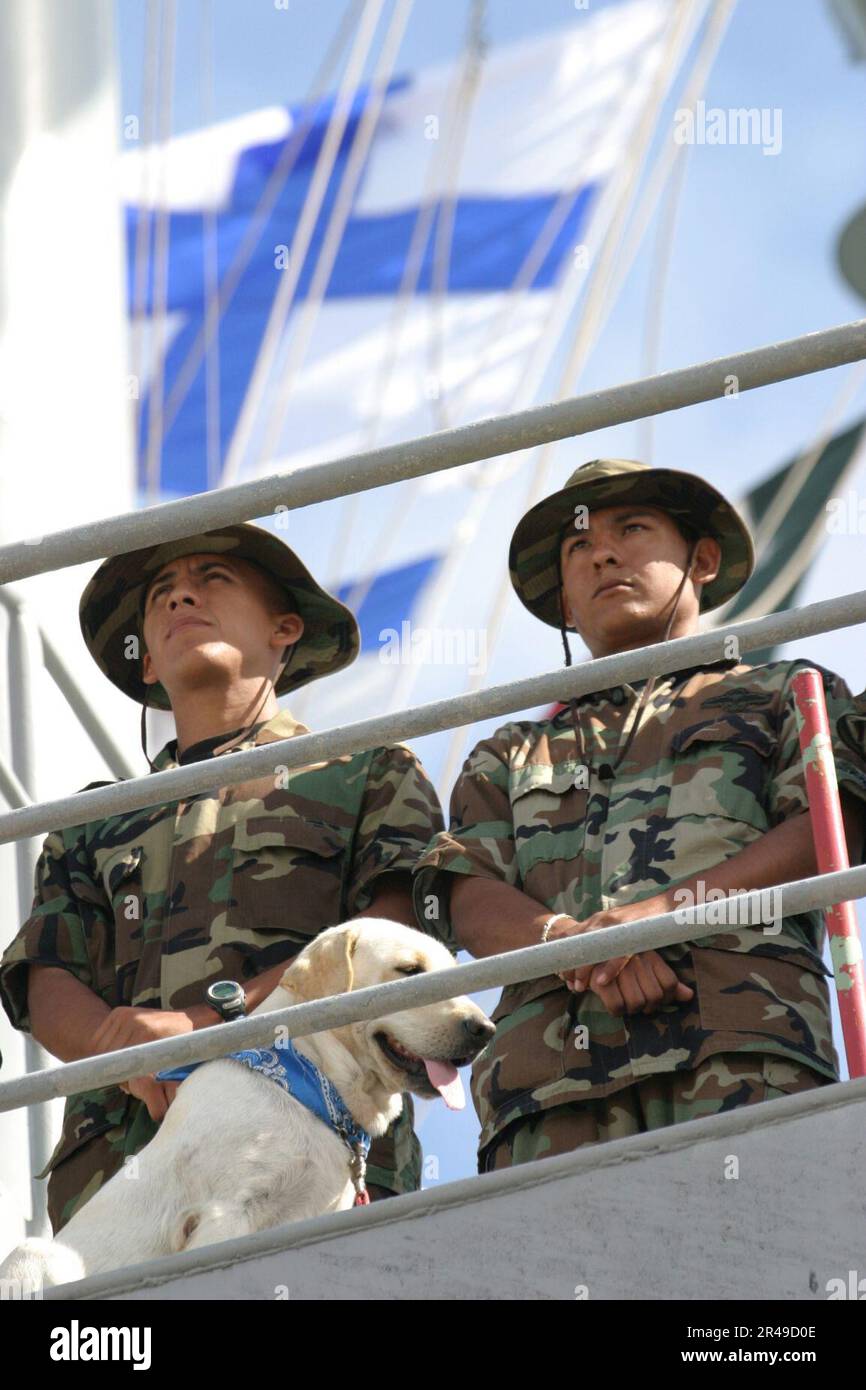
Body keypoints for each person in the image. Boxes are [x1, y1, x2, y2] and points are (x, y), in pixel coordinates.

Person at [412, 458, 866, 1174]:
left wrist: (663, 916)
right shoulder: (509, 750)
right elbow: (465, 892)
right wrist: (575, 943)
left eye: (633, 528)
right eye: (579, 548)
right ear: (564, 601)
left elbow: (831, 829)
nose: (605, 552)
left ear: (703, 559)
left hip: (742, 1043)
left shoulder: (789, 693)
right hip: (548, 1087)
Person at [0, 523, 444, 1232]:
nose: (181, 597)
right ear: (145, 661)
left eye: (212, 578)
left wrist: (201, 1032)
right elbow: (46, 975)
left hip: (312, 1156)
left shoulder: (367, 773)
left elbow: (396, 941)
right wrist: (120, 1051)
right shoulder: (93, 820)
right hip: (121, 1179)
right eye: (161, 595)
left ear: (284, 627)